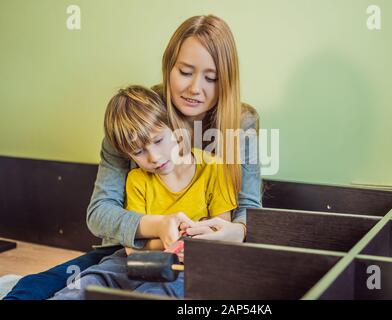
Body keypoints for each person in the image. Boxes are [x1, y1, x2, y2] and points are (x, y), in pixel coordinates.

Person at [3, 14, 261, 300]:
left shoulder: (241, 123)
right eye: (185, 72)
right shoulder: (138, 116)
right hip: (127, 252)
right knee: (35, 287)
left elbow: (249, 208)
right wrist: (159, 227)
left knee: (160, 289)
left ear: (226, 80)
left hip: (198, 259)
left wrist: (235, 231)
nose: (195, 88)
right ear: (169, 67)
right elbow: (100, 212)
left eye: (211, 78)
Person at [50, 85, 237, 299]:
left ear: (174, 128)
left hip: (194, 262)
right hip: (134, 260)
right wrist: (169, 240)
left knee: (165, 289)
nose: (154, 157)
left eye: (158, 140)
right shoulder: (137, 180)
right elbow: (132, 250)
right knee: (88, 281)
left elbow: (221, 233)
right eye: (138, 152)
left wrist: (186, 245)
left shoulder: (214, 168)